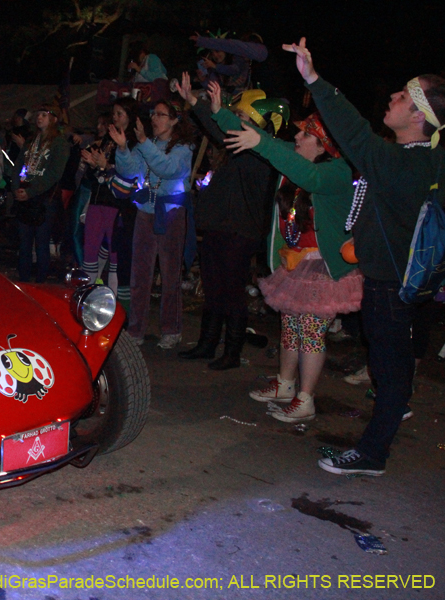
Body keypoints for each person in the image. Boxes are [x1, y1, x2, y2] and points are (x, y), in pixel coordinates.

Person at [283, 37, 445, 476]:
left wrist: (315, 80)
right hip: (395, 283)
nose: (390, 99)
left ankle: (374, 451)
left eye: (401, 96)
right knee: (389, 367)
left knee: (389, 372)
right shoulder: (419, 160)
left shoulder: (405, 164)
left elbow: (353, 133)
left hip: (391, 287)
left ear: (418, 115)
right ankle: (393, 413)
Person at [224, 110, 362, 422]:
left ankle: (306, 398)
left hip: (321, 269)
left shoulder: (337, 170)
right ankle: (286, 385)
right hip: (296, 264)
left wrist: (264, 143)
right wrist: (213, 109)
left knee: (311, 334)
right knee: (291, 329)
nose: (296, 138)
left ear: (323, 144)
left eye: (305, 134)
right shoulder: (302, 165)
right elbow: (262, 140)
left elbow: (308, 176)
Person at [175, 74, 282, 370]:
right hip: (221, 229)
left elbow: (219, 129)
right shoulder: (238, 151)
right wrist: (197, 102)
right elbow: (218, 131)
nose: (234, 120)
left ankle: (232, 352)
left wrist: (199, 103)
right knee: (213, 288)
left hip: (240, 232)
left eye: (241, 116)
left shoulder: (261, 151)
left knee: (231, 293)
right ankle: (207, 344)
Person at [111, 99, 196, 349]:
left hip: (170, 214)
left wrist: (144, 144)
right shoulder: (148, 145)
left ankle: (171, 328)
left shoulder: (183, 148)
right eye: (154, 114)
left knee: (170, 274)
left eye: (161, 114)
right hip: (145, 212)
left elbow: (167, 168)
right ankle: (135, 329)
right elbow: (130, 170)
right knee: (140, 274)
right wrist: (123, 148)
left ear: (174, 119)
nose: (155, 119)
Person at [79, 98, 139, 302]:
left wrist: (105, 166)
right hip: (98, 201)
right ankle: (87, 299)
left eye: (120, 114)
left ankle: (113, 303)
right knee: (90, 248)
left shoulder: (132, 142)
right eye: (114, 113)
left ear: (130, 117)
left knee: (114, 253)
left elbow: (128, 175)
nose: (115, 117)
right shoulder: (107, 140)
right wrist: (94, 165)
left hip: (116, 205)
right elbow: (96, 175)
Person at [12, 102, 70, 282]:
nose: (39, 118)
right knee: (24, 243)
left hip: (45, 199)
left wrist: (32, 191)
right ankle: (23, 281)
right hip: (25, 195)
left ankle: (41, 283)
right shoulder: (31, 141)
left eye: (44, 115)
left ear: (53, 119)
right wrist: (16, 188)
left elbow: (54, 174)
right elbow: (19, 165)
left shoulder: (59, 143)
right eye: (38, 114)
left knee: (42, 243)